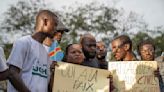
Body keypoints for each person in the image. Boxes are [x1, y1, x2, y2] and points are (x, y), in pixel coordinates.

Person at [7, 10, 58, 92]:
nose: (56, 29)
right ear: (45, 22)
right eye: (55, 25)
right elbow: (12, 74)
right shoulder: (23, 42)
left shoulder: (47, 53)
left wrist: (54, 72)